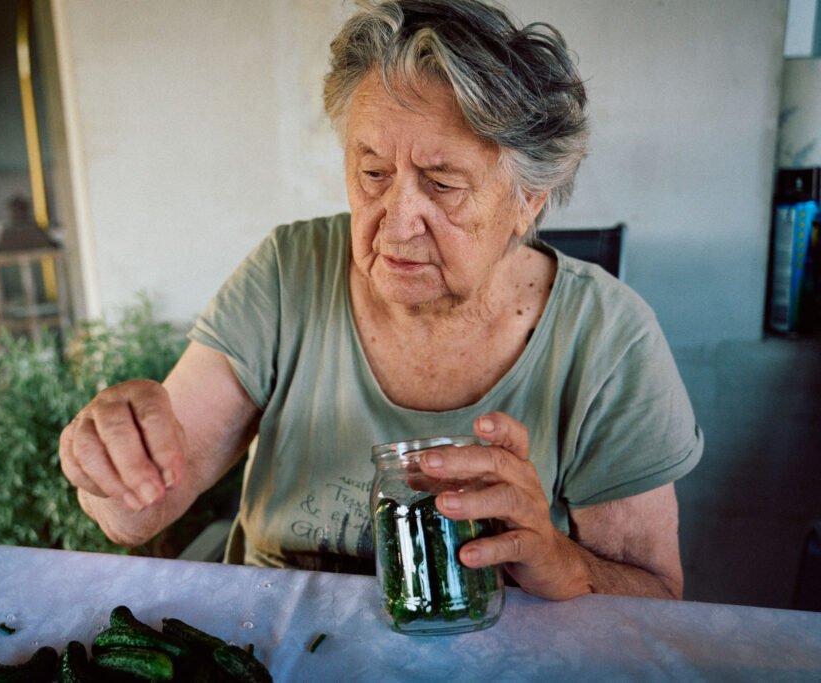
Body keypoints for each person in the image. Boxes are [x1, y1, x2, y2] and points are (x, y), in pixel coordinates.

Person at [59, 0, 703, 601]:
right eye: (372, 174)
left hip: (488, 652)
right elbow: (135, 514)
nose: (395, 224)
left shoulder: (609, 338)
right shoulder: (288, 272)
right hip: (276, 642)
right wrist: (110, 455)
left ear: (527, 201)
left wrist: (563, 563)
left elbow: (658, 601)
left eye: (442, 184)